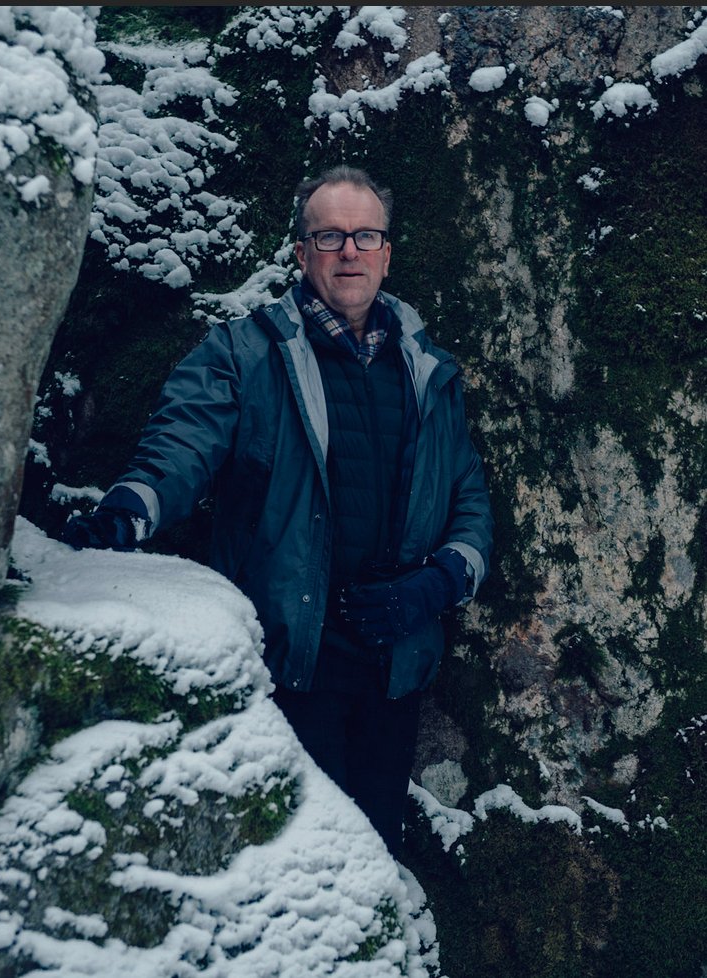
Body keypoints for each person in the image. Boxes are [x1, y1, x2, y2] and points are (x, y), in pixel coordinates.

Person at [63, 165, 493, 856]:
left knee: (374, 857)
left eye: (364, 236)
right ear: (301, 253)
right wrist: (129, 511)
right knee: (299, 862)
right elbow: (181, 448)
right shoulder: (245, 354)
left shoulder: (428, 372)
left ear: (387, 252)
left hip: (396, 669)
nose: (348, 251)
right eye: (329, 236)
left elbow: (468, 495)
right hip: (294, 667)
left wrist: (441, 581)